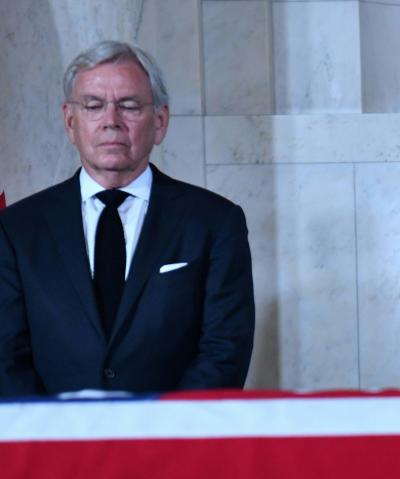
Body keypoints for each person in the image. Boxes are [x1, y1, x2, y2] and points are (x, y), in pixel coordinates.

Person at [0, 41, 255, 395]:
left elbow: (225, 351)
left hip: (173, 441)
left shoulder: (215, 223)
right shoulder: (16, 229)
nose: (111, 122)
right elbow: (6, 358)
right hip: (54, 443)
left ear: (160, 121)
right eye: (93, 106)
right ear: (70, 122)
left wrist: (158, 436)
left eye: (129, 106)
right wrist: (56, 438)